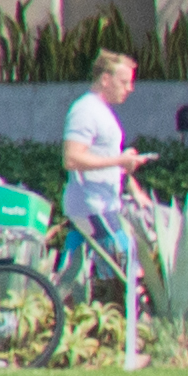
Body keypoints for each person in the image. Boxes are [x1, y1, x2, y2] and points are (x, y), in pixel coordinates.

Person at [61, 43, 149, 278]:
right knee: (128, 264)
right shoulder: (85, 111)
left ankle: (54, 300)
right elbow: (71, 158)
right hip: (93, 206)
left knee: (71, 269)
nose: (130, 88)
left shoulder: (101, 111)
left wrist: (134, 188)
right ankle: (136, 312)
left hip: (97, 204)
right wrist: (118, 160)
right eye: (124, 82)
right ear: (106, 79)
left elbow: (108, 159)